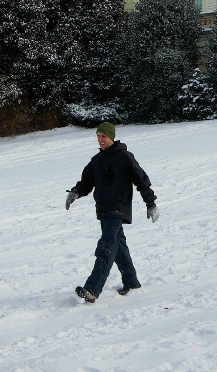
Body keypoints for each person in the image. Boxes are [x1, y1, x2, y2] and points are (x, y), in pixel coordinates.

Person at [65, 122, 158, 303]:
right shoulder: (96, 161)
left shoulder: (124, 157)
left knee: (106, 247)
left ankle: (92, 289)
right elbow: (86, 182)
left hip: (118, 208)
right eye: (98, 136)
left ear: (111, 137)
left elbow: (141, 179)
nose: (100, 140)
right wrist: (75, 193)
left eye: (103, 136)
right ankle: (132, 282)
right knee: (118, 247)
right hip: (104, 210)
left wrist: (150, 203)